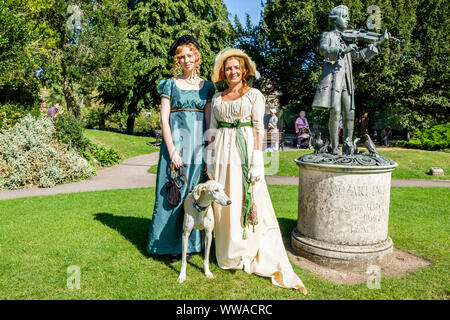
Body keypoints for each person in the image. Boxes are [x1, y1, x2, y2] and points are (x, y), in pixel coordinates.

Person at [207, 48, 307, 293]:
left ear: (244, 71)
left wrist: (257, 159)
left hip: (243, 151)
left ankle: (246, 251)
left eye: (236, 67)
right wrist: (209, 159)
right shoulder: (217, 99)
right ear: (223, 72)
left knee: (244, 198)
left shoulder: (254, 95)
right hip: (220, 152)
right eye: (228, 68)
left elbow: (258, 129)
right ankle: (227, 253)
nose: (232, 71)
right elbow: (211, 129)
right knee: (222, 202)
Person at [146, 35, 216, 262]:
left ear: (197, 57)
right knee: (172, 195)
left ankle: (194, 244)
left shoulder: (207, 87)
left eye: (190, 55)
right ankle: (168, 245)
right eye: (182, 56)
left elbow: (208, 123)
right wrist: (172, 151)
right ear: (178, 60)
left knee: (194, 194)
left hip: (197, 148)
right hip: (174, 148)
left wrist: (209, 152)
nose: (186, 60)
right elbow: (164, 121)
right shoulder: (169, 84)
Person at [311, 5, 388, 154]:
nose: (348, 20)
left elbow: (359, 57)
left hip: (347, 80)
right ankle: (334, 147)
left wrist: (378, 42)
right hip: (334, 80)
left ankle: (348, 146)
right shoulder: (329, 35)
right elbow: (323, 50)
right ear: (335, 20)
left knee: (350, 113)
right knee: (335, 111)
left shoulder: (348, 38)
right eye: (344, 17)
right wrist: (341, 50)